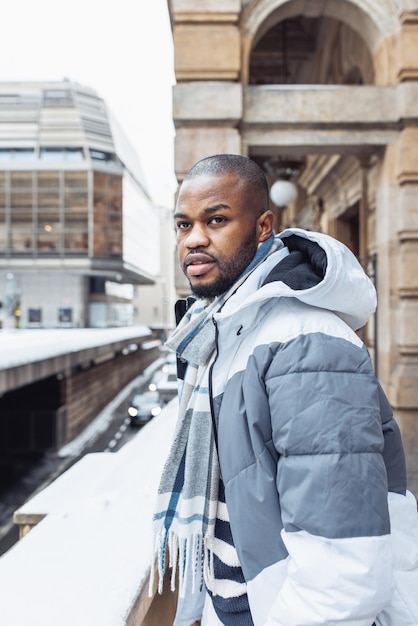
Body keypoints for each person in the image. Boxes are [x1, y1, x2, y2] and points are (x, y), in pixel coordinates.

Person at [151, 154, 418, 626]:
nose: (193, 239)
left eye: (216, 219)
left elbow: (344, 573)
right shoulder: (218, 334)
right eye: (183, 224)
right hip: (241, 603)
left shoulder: (305, 344)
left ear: (262, 226)